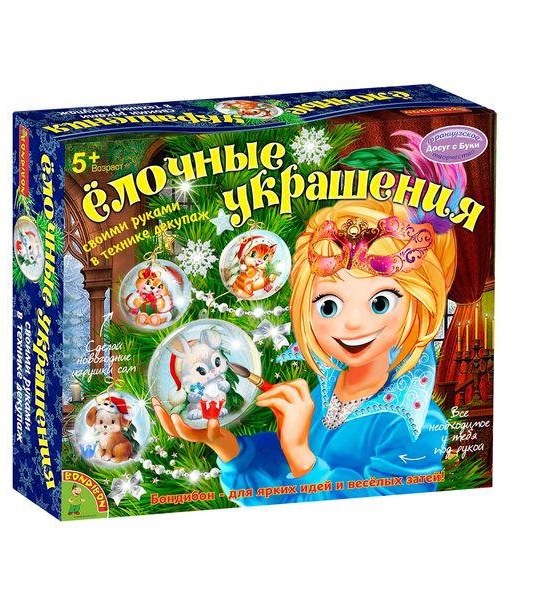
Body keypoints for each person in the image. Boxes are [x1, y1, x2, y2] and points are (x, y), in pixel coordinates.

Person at [152, 195, 456, 503]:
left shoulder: (414, 422)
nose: (352, 324)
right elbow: (284, 496)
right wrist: (229, 449)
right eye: (328, 306)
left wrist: (300, 454)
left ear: (419, 306)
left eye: (380, 303)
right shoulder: (327, 390)